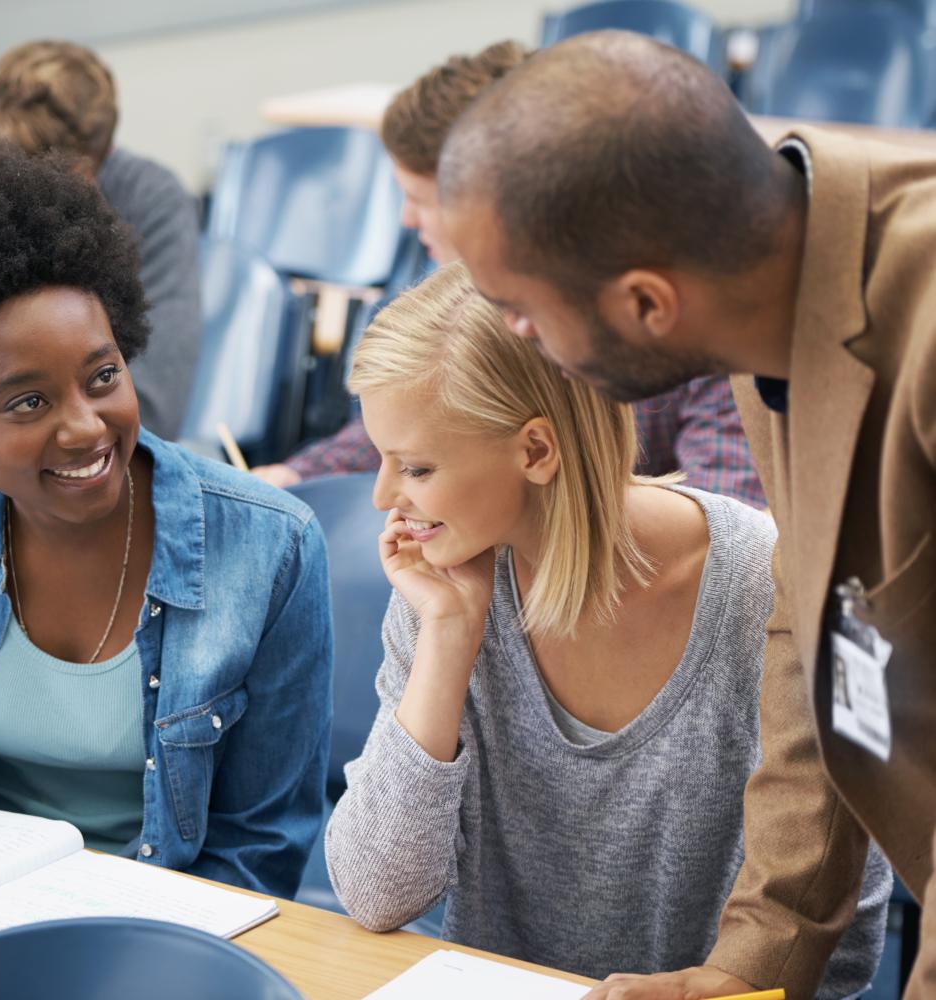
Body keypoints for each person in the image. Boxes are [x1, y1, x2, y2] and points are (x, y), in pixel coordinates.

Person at [436, 30, 936, 997]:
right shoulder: (770, 292)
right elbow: (822, 638)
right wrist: (749, 968)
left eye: (520, 310)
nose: (514, 337)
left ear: (645, 303)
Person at [323, 262, 889, 990]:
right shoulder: (444, 585)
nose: (380, 496)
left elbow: (840, 940)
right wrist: (446, 640)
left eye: (416, 467)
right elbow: (376, 894)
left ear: (535, 451)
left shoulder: (767, 585)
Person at [0, 146, 332, 897]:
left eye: (103, 376)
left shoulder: (271, 545)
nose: (85, 427)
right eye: (28, 402)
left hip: (168, 924)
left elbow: (261, 848)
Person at [254, 42, 765, 512]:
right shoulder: (456, 306)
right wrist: (300, 473)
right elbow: (413, 423)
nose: (408, 222)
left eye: (421, 200)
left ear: (493, 206)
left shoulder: (691, 318)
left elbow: (727, 525)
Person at [0, 39, 202, 442]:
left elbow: (155, 405)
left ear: (101, 163)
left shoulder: (150, 200)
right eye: (8, 186)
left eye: (64, 193)